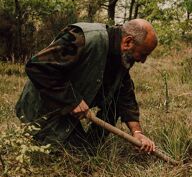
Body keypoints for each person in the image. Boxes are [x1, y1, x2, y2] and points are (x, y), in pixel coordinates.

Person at [15, 19, 157, 154]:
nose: (143, 61)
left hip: (69, 107)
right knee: (73, 157)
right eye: (143, 54)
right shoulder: (83, 38)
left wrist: (137, 133)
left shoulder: (123, 55)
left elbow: (124, 94)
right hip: (43, 108)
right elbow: (38, 68)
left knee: (86, 150)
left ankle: (91, 144)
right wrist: (72, 100)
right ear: (128, 42)